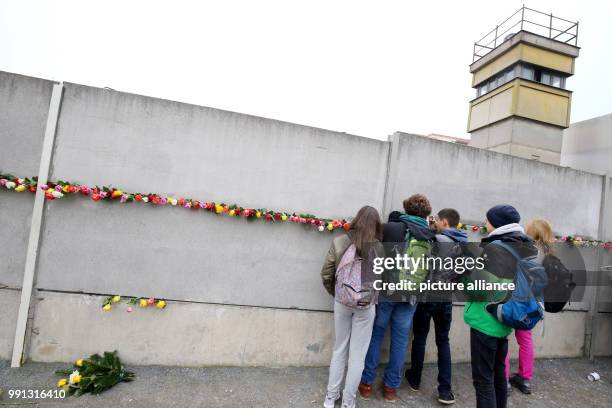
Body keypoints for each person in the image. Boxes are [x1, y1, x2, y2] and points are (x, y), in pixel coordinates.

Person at [358, 194, 436, 403]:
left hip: (387, 291)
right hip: (411, 295)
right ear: (426, 213)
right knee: (400, 341)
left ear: (406, 209)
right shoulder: (430, 234)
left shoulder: (392, 228)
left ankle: (366, 383)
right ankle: (391, 389)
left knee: (376, 335)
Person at [462, 205, 537, 408]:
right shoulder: (519, 246)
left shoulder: (496, 249)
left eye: (488, 220)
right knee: (497, 377)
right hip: (503, 320)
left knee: (484, 381)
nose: (485, 224)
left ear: (497, 223)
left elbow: (479, 290)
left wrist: (464, 274)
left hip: (485, 321)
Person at [320, 206, 384, 408]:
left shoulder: (340, 241)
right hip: (366, 306)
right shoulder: (380, 248)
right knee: (358, 355)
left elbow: (326, 273)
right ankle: (348, 401)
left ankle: (331, 397)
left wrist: (338, 294)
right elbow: (382, 280)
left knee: (339, 349)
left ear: (357, 219)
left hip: (342, 302)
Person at [405, 208, 467, 405]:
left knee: (420, 338)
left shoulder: (436, 241)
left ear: (445, 222)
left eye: (438, 221)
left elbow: (423, 268)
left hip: (428, 298)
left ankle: (415, 378)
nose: (436, 223)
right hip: (446, 299)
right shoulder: (464, 244)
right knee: (443, 341)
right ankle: (445, 390)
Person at [505, 219, 552, 395]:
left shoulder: (525, 249)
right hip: (534, 304)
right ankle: (525, 379)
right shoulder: (547, 252)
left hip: (517, 300)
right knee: (525, 339)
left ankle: (505, 382)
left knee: (502, 336)